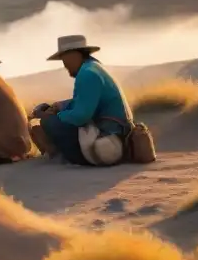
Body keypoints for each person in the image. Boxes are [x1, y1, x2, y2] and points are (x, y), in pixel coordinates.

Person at [28, 35, 132, 166]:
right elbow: (84, 100)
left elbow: (81, 116)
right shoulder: (94, 67)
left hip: (108, 136)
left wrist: (55, 116)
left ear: (74, 55)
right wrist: (61, 106)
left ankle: (67, 158)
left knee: (50, 123)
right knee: (54, 119)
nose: (65, 65)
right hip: (118, 131)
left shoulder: (87, 74)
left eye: (64, 59)